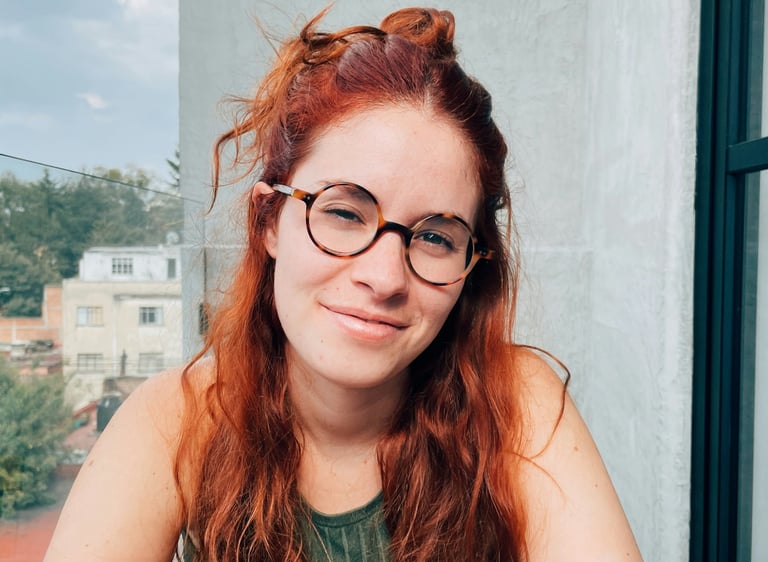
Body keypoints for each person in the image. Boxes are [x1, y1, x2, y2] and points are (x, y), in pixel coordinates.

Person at [44, 7, 643, 562]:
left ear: (472, 263)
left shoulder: (512, 401)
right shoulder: (176, 420)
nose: (384, 278)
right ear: (268, 221)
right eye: (343, 212)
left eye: (436, 238)